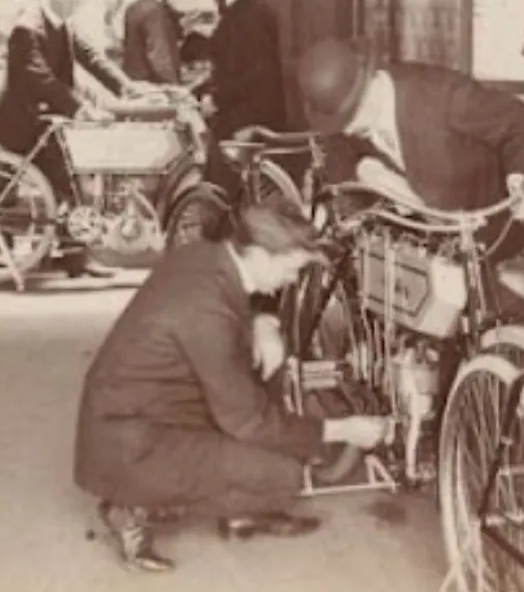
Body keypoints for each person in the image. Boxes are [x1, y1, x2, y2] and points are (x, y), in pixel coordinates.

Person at [74, 196, 391, 570]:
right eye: (291, 269)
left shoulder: (203, 256)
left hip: (143, 409)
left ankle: (238, 509)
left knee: (279, 428)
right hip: (134, 442)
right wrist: (343, 430)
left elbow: (228, 310)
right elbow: (248, 421)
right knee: (283, 475)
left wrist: (262, 322)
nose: (292, 280)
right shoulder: (207, 315)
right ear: (258, 254)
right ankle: (129, 506)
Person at [295, 38, 524, 223]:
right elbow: (340, 158)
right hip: (433, 242)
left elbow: (522, 122)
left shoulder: (441, 95)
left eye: (349, 119)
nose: (347, 130)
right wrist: (365, 172)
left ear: (368, 88)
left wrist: (522, 178)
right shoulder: (349, 115)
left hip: (497, 228)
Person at [0, 0, 139, 279]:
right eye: (72, 1)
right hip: (21, 121)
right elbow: (41, 78)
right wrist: (80, 109)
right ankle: (10, 255)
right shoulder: (27, 28)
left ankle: (70, 257)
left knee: (65, 182)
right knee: (42, 183)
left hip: (45, 120)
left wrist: (126, 87)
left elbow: (92, 58)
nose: (75, 8)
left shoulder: (64, 25)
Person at [200, 0, 288, 140]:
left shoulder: (249, 13)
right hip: (241, 115)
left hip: (247, 122)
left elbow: (254, 73)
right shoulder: (245, 6)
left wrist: (216, 99)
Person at [122, 0, 182, 87]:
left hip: (134, 83)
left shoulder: (133, 8)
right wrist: (175, 87)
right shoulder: (154, 11)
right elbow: (159, 54)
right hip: (153, 86)